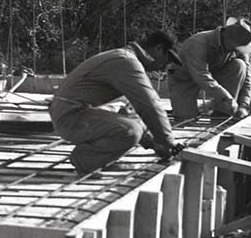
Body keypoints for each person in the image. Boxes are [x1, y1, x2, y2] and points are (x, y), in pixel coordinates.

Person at [49, 31, 181, 175]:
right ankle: (86, 160)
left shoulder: (124, 59)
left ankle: (98, 159)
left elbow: (131, 111)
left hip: (74, 113)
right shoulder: (126, 62)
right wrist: (169, 142)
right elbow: (150, 105)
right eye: (166, 61)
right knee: (131, 131)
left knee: (132, 123)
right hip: (69, 118)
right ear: (159, 49)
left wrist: (154, 144)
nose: (162, 67)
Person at [169, 17, 251, 122]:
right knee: (186, 120)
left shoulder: (237, 45)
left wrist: (243, 106)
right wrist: (227, 99)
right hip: (184, 77)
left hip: (213, 72)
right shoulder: (198, 43)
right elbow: (201, 76)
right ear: (227, 37)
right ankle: (191, 111)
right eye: (235, 46)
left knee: (239, 65)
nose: (236, 50)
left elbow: (247, 77)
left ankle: (221, 114)